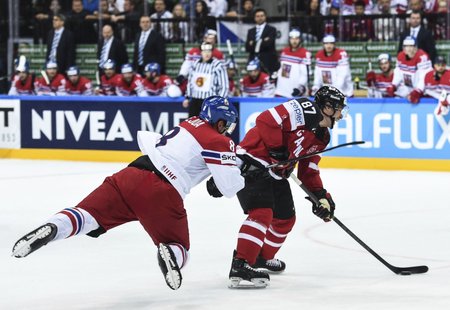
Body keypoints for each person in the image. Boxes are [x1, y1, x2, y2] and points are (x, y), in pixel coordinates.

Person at [12, 96, 245, 291]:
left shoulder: (187, 124)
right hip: (163, 192)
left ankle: (54, 226)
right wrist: (240, 170)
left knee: (87, 216)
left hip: (130, 175)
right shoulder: (218, 140)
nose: (227, 130)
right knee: (179, 247)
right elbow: (228, 187)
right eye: (227, 125)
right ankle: (170, 254)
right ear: (220, 120)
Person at [210, 85, 348, 288]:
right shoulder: (304, 108)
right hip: (252, 161)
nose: (341, 113)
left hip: (275, 172)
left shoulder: (322, 137)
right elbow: (266, 120)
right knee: (262, 212)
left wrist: (320, 196)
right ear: (327, 107)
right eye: (338, 108)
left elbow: (308, 170)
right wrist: (277, 149)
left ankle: (261, 258)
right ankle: (241, 263)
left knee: (285, 219)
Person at [183, 42, 229, 117]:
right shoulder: (195, 64)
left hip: (210, 102)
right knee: (193, 125)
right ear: (201, 52)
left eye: (209, 51)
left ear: (212, 52)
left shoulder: (218, 65)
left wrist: (220, 102)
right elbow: (190, 82)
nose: (207, 54)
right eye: (204, 51)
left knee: (208, 126)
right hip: (195, 101)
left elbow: (224, 86)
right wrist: (187, 97)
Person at [387, 36, 432, 103]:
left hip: (423, 89)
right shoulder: (400, 56)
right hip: (408, 87)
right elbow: (398, 73)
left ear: (415, 47)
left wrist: (418, 91)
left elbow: (424, 76)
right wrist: (394, 85)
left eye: (411, 46)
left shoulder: (422, 57)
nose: (408, 49)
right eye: (406, 46)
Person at [275, 28, 311, 98]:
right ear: (289, 39)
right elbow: (281, 69)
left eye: (297, 38)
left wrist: (299, 88)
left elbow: (305, 74)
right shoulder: (284, 51)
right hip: (281, 90)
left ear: (300, 39)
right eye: (292, 38)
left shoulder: (305, 53)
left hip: (295, 90)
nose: (294, 41)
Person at [245, 8, 279, 76]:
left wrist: (253, 43)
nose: (260, 18)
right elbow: (248, 47)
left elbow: (268, 45)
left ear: (265, 17)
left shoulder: (271, 29)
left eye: (262, 16)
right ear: (254, 18)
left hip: (267, 61)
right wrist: (262, 41)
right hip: (253, 61)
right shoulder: (251, 31)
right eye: (257, 16)